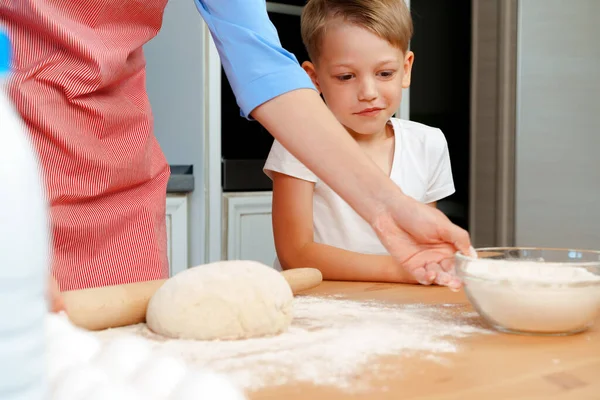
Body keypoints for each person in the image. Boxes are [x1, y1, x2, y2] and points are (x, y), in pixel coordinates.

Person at [0, 0, 471, 312]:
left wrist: (389, 208)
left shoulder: (422, 142)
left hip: (117, 164)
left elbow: (259, 59)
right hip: (13, 156)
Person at [264, 0, 460, 288]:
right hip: (321, 307)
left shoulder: (428, 143)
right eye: (346, 76)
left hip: (400, 303)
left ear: (406, 69)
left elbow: (422, 241)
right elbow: (296, 253)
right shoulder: (298, 142)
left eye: (384, 73)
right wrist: (399, 269)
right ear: (314, 78)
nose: (368, 93)